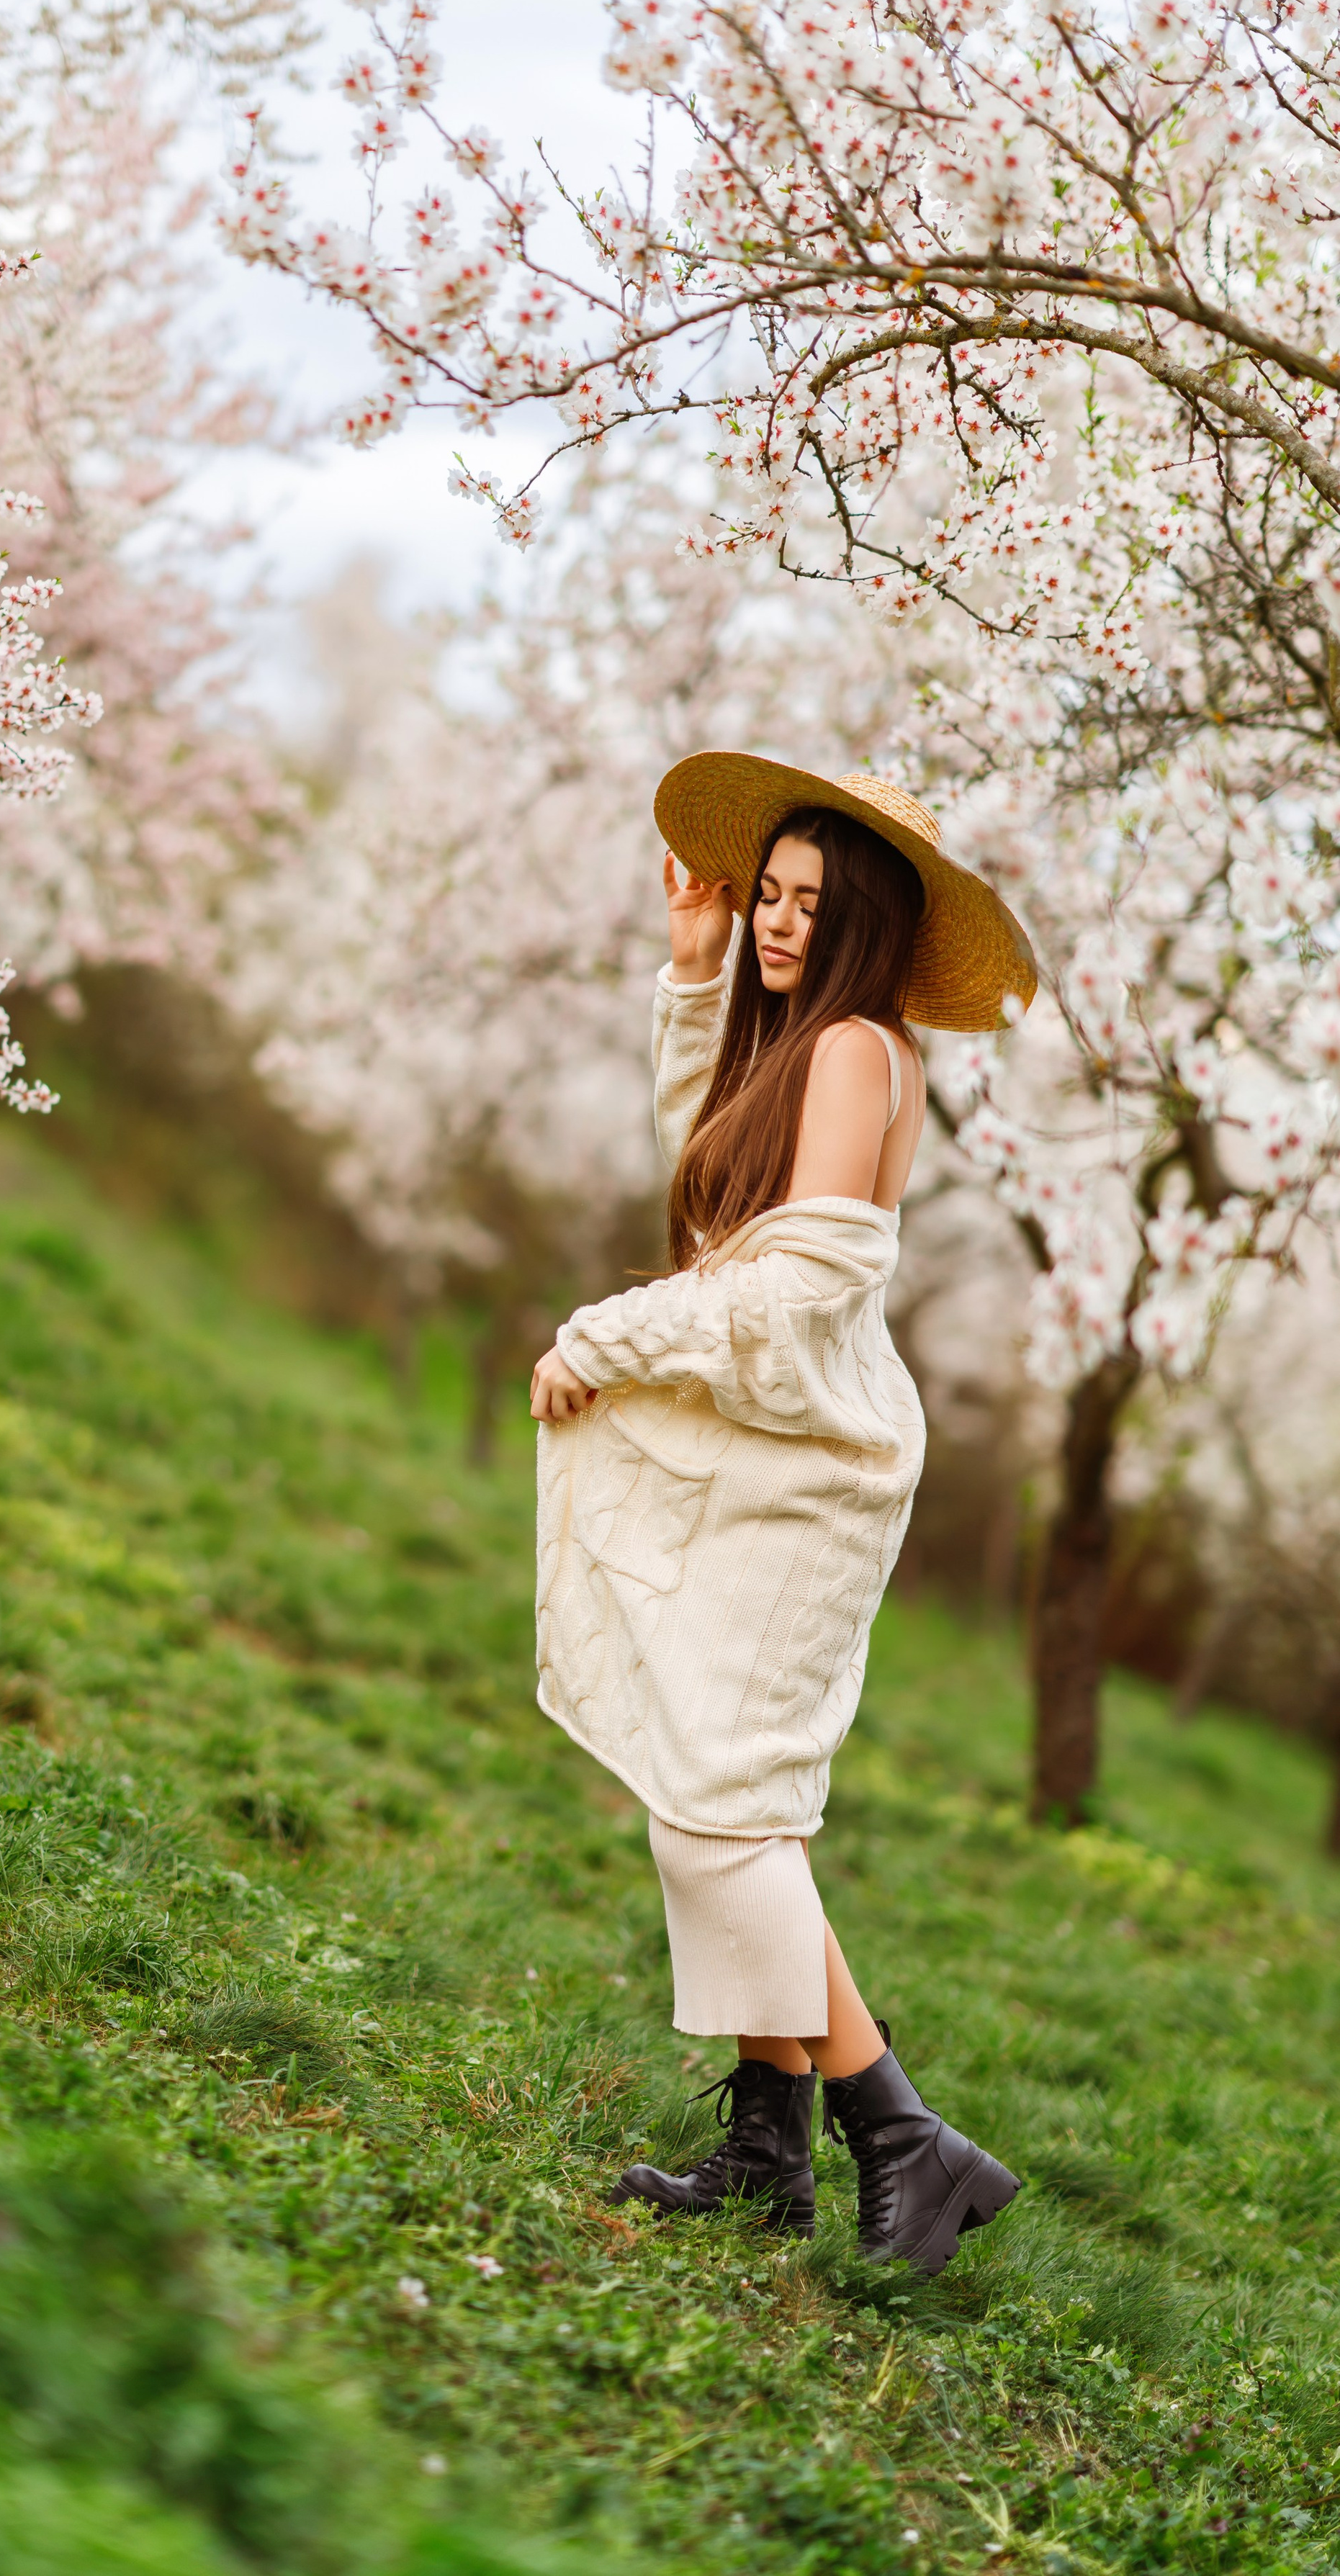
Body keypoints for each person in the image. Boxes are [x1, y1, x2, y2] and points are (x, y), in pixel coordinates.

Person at [529, 755, 1036, 2278]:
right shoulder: (805, 1052)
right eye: (768, 894)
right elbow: (714, 1208)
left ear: (867, 924)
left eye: (811, 904)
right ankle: (769, 2152)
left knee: (719, 1812)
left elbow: (791, 1284)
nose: (777, 921)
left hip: (813, 1468)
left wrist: (604, 1337)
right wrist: (694, 978)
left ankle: (898, 2133)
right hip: (772, 1449)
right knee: (714, 1799)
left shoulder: (859, 1054)